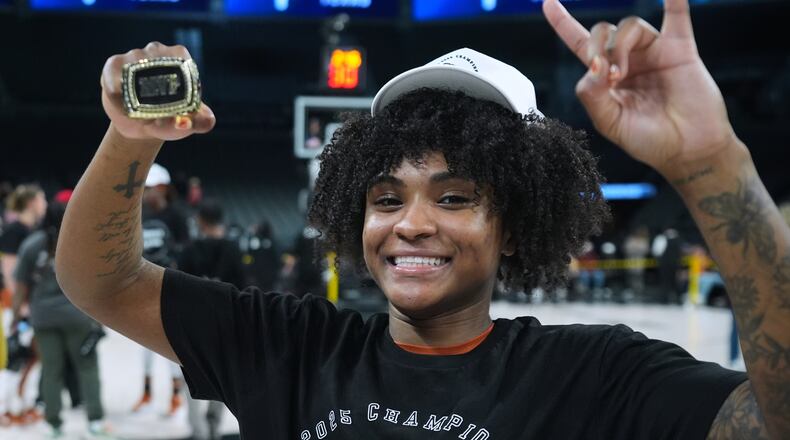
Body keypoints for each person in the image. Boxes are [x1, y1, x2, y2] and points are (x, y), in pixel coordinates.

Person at [55, 1, 789, 438]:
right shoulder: (290, 350)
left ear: (516, 218)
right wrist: (133, 134)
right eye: (385, 198)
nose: (410, 222)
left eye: (454, 196)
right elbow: (100, 279)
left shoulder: (596, 376)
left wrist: (712, 165)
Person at [12, 202, 112, 438]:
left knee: (51, 370)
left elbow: (20, 287)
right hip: (77, 316)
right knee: (87, 367)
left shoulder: (31, 245)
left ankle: (54, 424)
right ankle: (95, 422)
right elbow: (96, 281)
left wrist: (16, 318)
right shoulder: (81, 243)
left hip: (43, 318)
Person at [177, 199, 242, 439]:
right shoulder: (233, 248)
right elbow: (244, 288)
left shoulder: (189, 250)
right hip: (226, 324)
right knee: (222, 378)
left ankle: (199, 431)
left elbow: (179, 289)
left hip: (193, 326)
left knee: (192, 378)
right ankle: (213, 426)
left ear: (200, 221)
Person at [133, 163, 184, 415]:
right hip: (144, 285)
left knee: (170, 344)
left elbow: (186, 250)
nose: (144, 193)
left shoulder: (176, 217)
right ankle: (146, 392)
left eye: (149, 188)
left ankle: (175, 395)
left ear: (162, 188)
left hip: (170, 287)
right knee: (144, 343)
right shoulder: (141, 214)